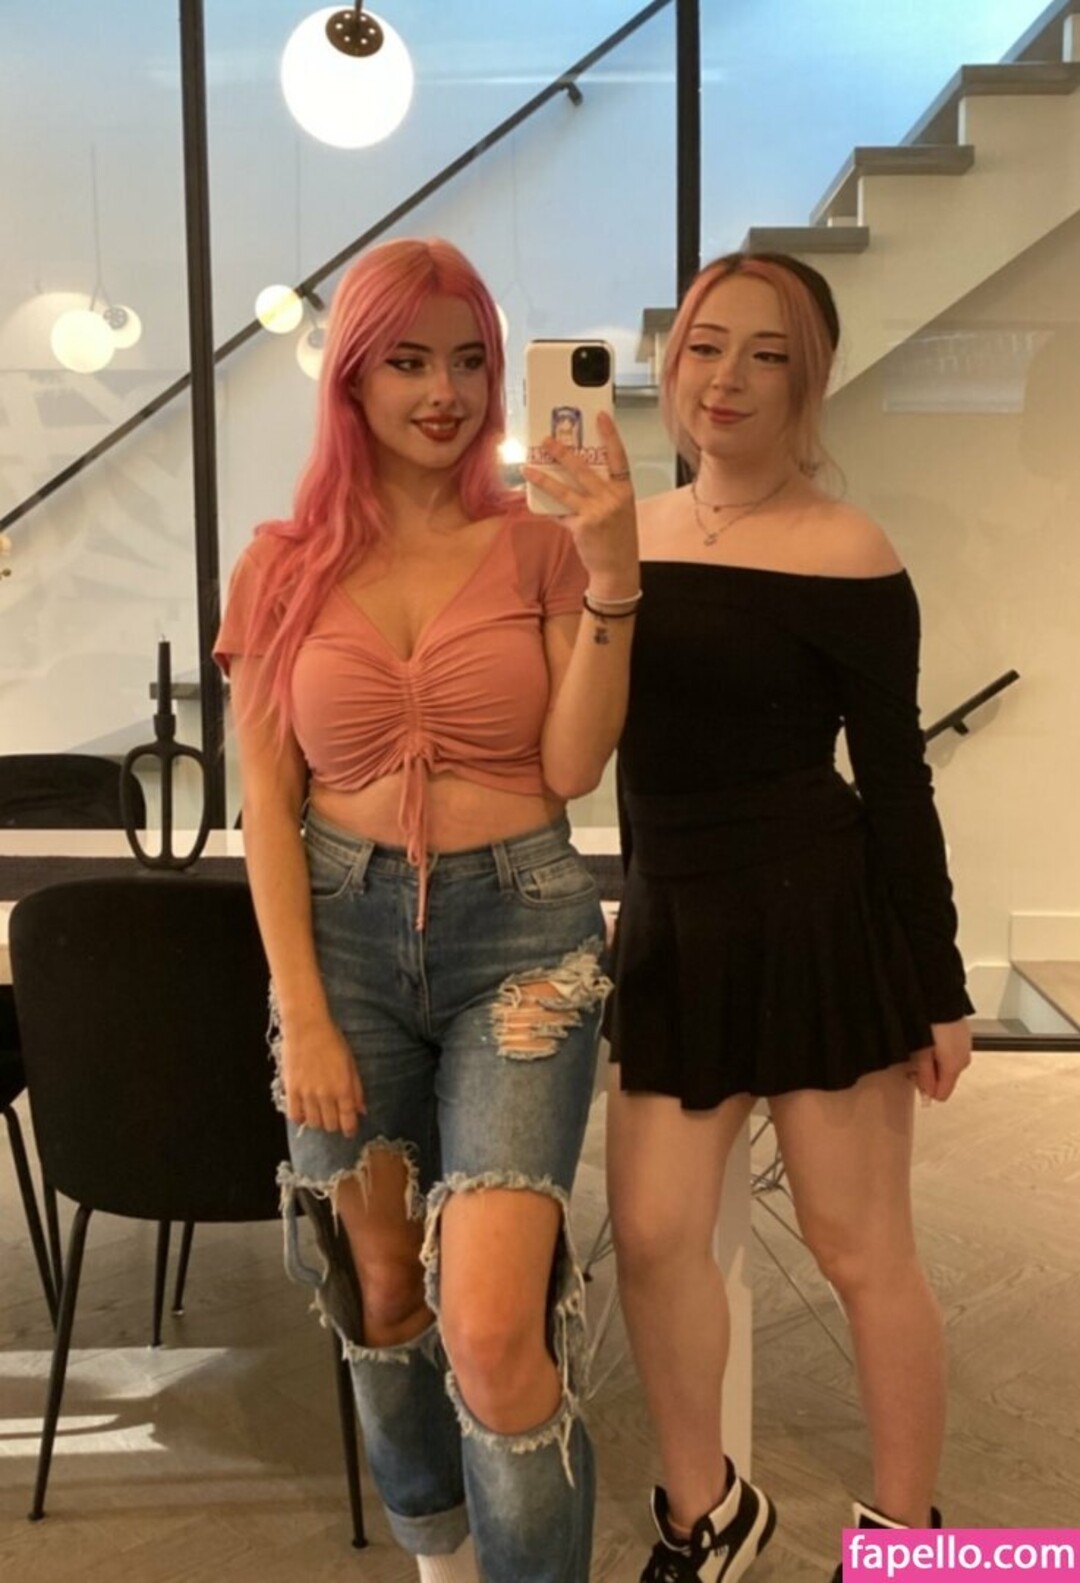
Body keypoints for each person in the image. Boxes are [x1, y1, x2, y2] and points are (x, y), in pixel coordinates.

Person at [213, 237, 639, 1583]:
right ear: (352, 377)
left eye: (468, 362)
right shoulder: (279, 567)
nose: (444, 393)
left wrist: (614, 577)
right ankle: (440, 1563)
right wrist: (302, 1011)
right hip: (340, 940)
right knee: (381, 1295)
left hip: (522, 939)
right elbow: (266, 807)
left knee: (494, 1328)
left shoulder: (539, 548)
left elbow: (572, 767)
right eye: (407, 361)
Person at [604, 251, 973, 1583]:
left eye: (769, 355)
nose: (730, 378)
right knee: (652, 1238)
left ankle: (908, 1540)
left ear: (809, 381)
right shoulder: (622, 535)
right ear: (672, 363)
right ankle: (706, 1515)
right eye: (708, 345)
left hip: (822, 916)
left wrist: (938, 982)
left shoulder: (849, 548)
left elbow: (898, 777)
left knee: (859, 1248)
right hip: (675, 922)